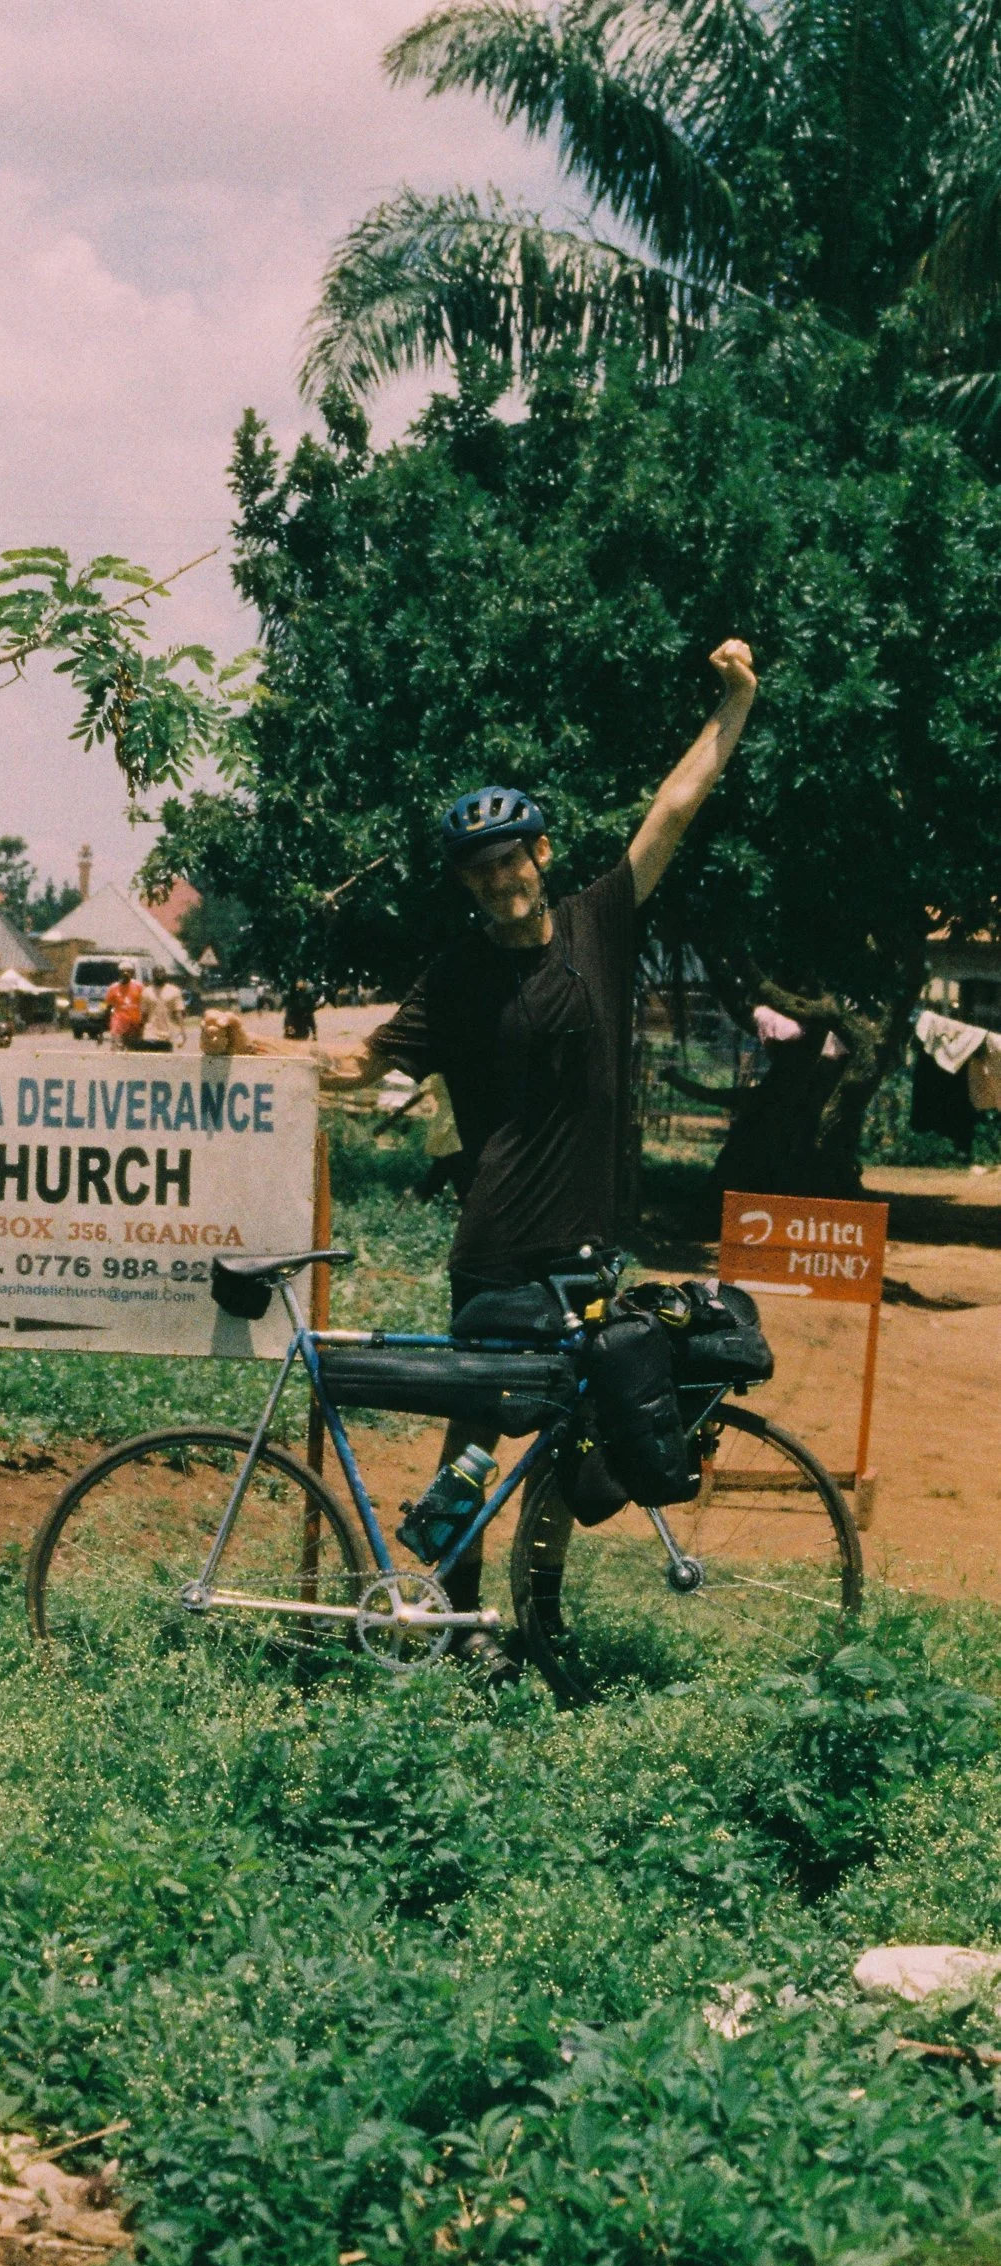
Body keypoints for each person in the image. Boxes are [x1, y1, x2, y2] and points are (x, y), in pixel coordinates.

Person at [328, 639, 760, 1659]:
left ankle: (538, 1615)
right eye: (479, 871)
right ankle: (446, 1615)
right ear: (467, 884)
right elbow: (358, 1064)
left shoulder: (597, 924)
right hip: (498, 1248)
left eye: (509, 860)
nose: (498, 880)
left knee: (575, 1440)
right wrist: (240, 1047)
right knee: (474, 1440)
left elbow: (675, 806)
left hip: (588, 1246)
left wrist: (735, 701)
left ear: (541, 855)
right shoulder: (456, 978)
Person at [105, 965, 147, 1049]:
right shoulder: (113, 988)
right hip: (118, 1026)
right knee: (117, 1050)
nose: (125, 973)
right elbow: (108, 1008)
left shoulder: (139, 987)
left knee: (134, 1051)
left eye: (128, 971)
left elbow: (145, 1005)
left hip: (134, 1026)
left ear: (132, 973)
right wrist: (105, 1026)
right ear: (119, 973)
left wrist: (143, 1024)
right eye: (123, 971)